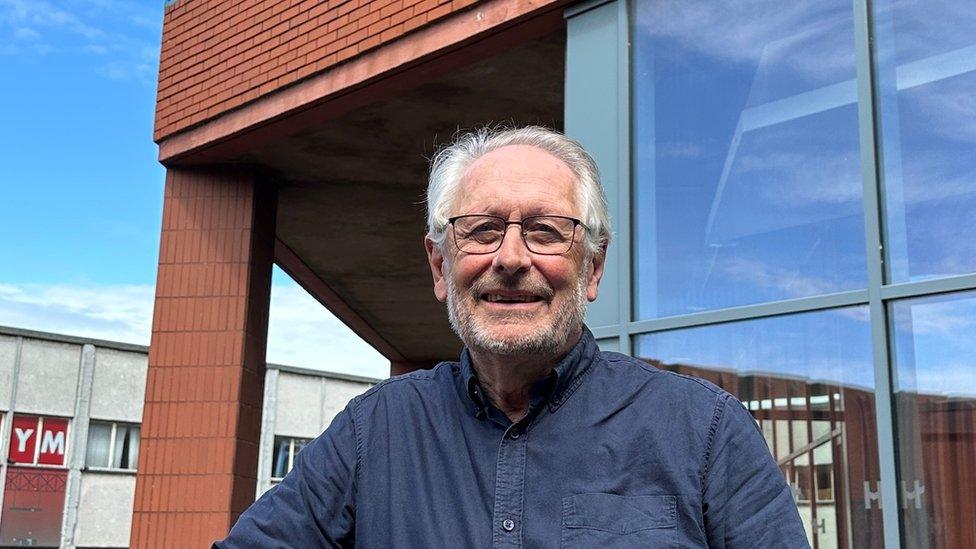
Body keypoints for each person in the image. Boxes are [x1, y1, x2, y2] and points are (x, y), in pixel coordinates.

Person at [216, 126, 809, 548]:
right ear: (440, 267)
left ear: (594, 268)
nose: (510, 258)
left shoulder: (705, 432)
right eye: (482, 230)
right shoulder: (374, 431)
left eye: (547, 232)